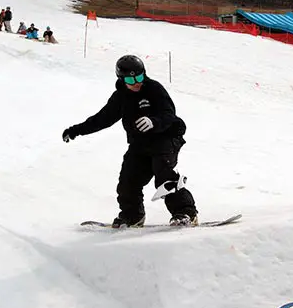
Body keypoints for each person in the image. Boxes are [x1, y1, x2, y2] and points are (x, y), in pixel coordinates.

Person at [61, 55, 198, 228]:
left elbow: (169, 114)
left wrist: (154, 121)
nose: (136, 82)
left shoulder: (154, 89)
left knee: (164, 174)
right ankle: (133, 216)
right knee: (128, 180)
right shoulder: (121, 97)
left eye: (139, 77)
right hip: (140, 144)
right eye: (131, 79)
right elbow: (102, 119)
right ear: (121, 79)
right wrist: (75, 131)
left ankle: (187, 213)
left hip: (166, 138)